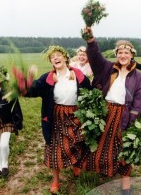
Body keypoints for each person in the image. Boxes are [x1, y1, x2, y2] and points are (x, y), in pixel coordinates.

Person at [80, 27, 141, 195]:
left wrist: (131, 121)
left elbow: (138, 102)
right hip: (105, 112)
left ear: (132, 55)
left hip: (124, 115)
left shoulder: (138, 77)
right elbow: (95, 58)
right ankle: (103, 173)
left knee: (123, 150)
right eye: (120, 52)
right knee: (102, 146)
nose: (123, 55)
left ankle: (125, 186)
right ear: (117, 54)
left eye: (126, 52)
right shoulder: (108, 68)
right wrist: (91, 41)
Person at [25, 45, 91, 194]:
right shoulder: (47, 78)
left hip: (76, 115)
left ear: (65, 58)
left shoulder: (78, 75)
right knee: (55, 148)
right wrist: (24, 83)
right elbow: (32, 90)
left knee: (77, 142)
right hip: (55, 116)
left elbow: (91, 90)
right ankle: (55, 180)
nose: (55, 58)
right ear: (51, 62)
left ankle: (75, 164)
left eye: (58, 55)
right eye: (52, 57)